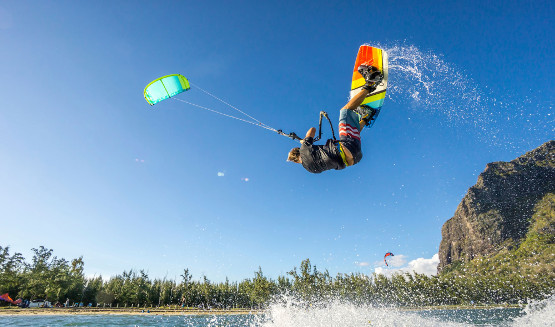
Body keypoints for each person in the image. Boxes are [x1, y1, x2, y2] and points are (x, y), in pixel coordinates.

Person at [287, 65, 383, 173]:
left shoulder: (310, 169)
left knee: (348, 134)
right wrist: (304, 141)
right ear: (298, 151)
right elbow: (312, 130)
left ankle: (366, 117)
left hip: (355, 158)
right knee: (345, 111)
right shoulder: (304, 150)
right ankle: (371, 82)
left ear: (296, 162)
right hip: (348, 147)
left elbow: (323, 158)